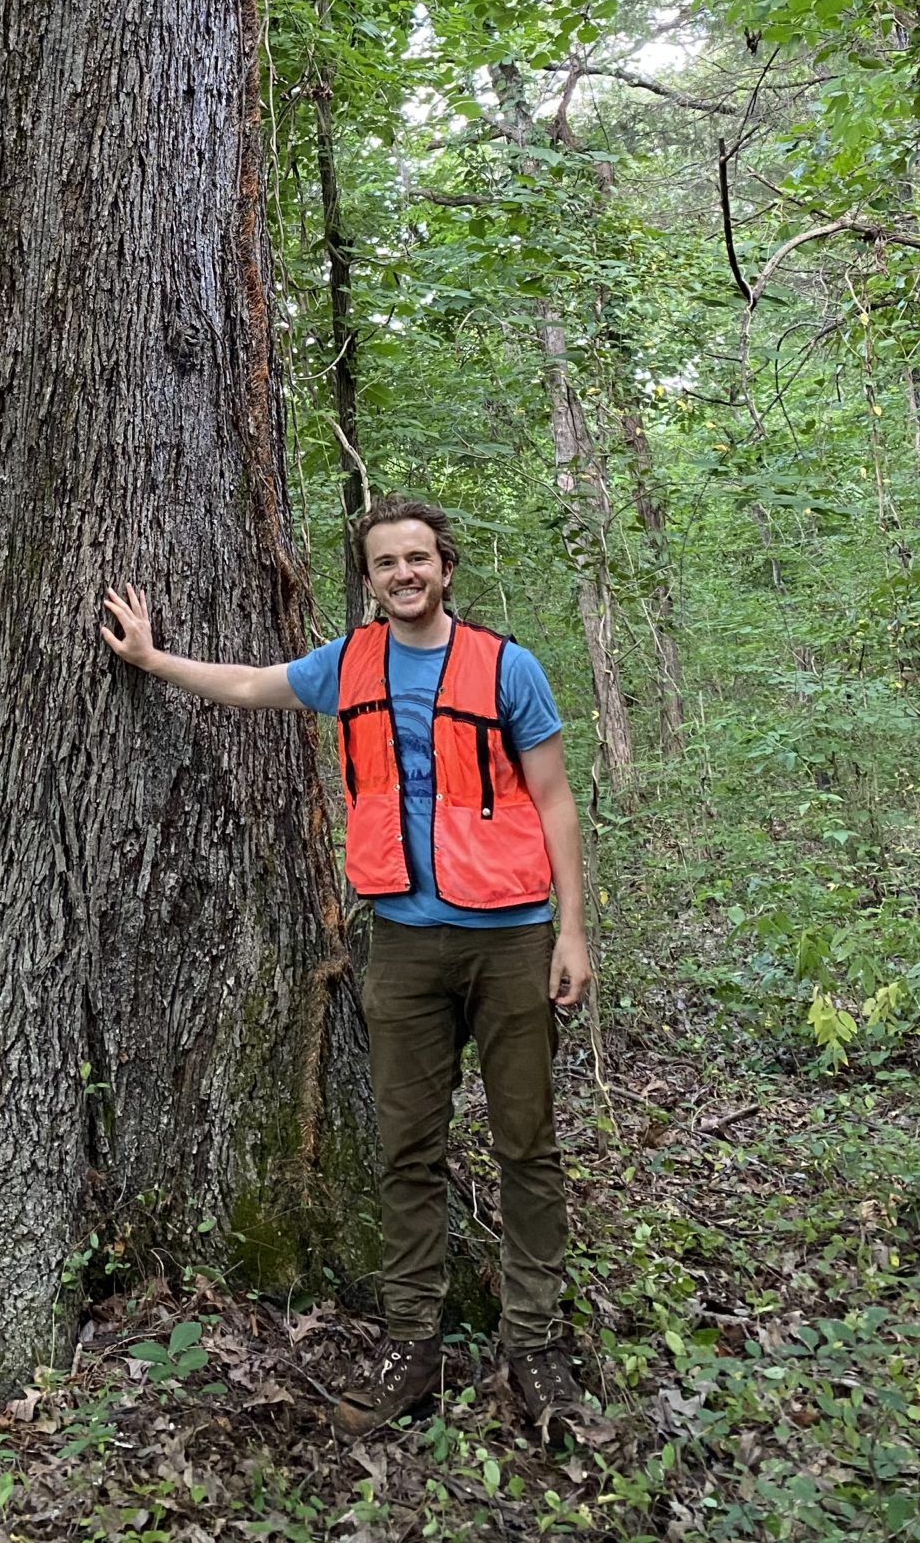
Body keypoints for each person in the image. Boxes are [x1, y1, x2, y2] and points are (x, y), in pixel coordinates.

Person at [100, 494, 594, 1438]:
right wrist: (153, 659)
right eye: (385, 564)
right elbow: (251, 686)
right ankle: (415, 1339)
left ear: (445, 567)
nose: (404, 575)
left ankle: (536, 1345)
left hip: (513, 937)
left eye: (418, 559)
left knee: (527, 1145)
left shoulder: (507, 668)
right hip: (403, 942)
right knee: (408, 1148)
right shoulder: (349, 665)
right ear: (369, 581)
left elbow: (556, 800)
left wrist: (572, 933)